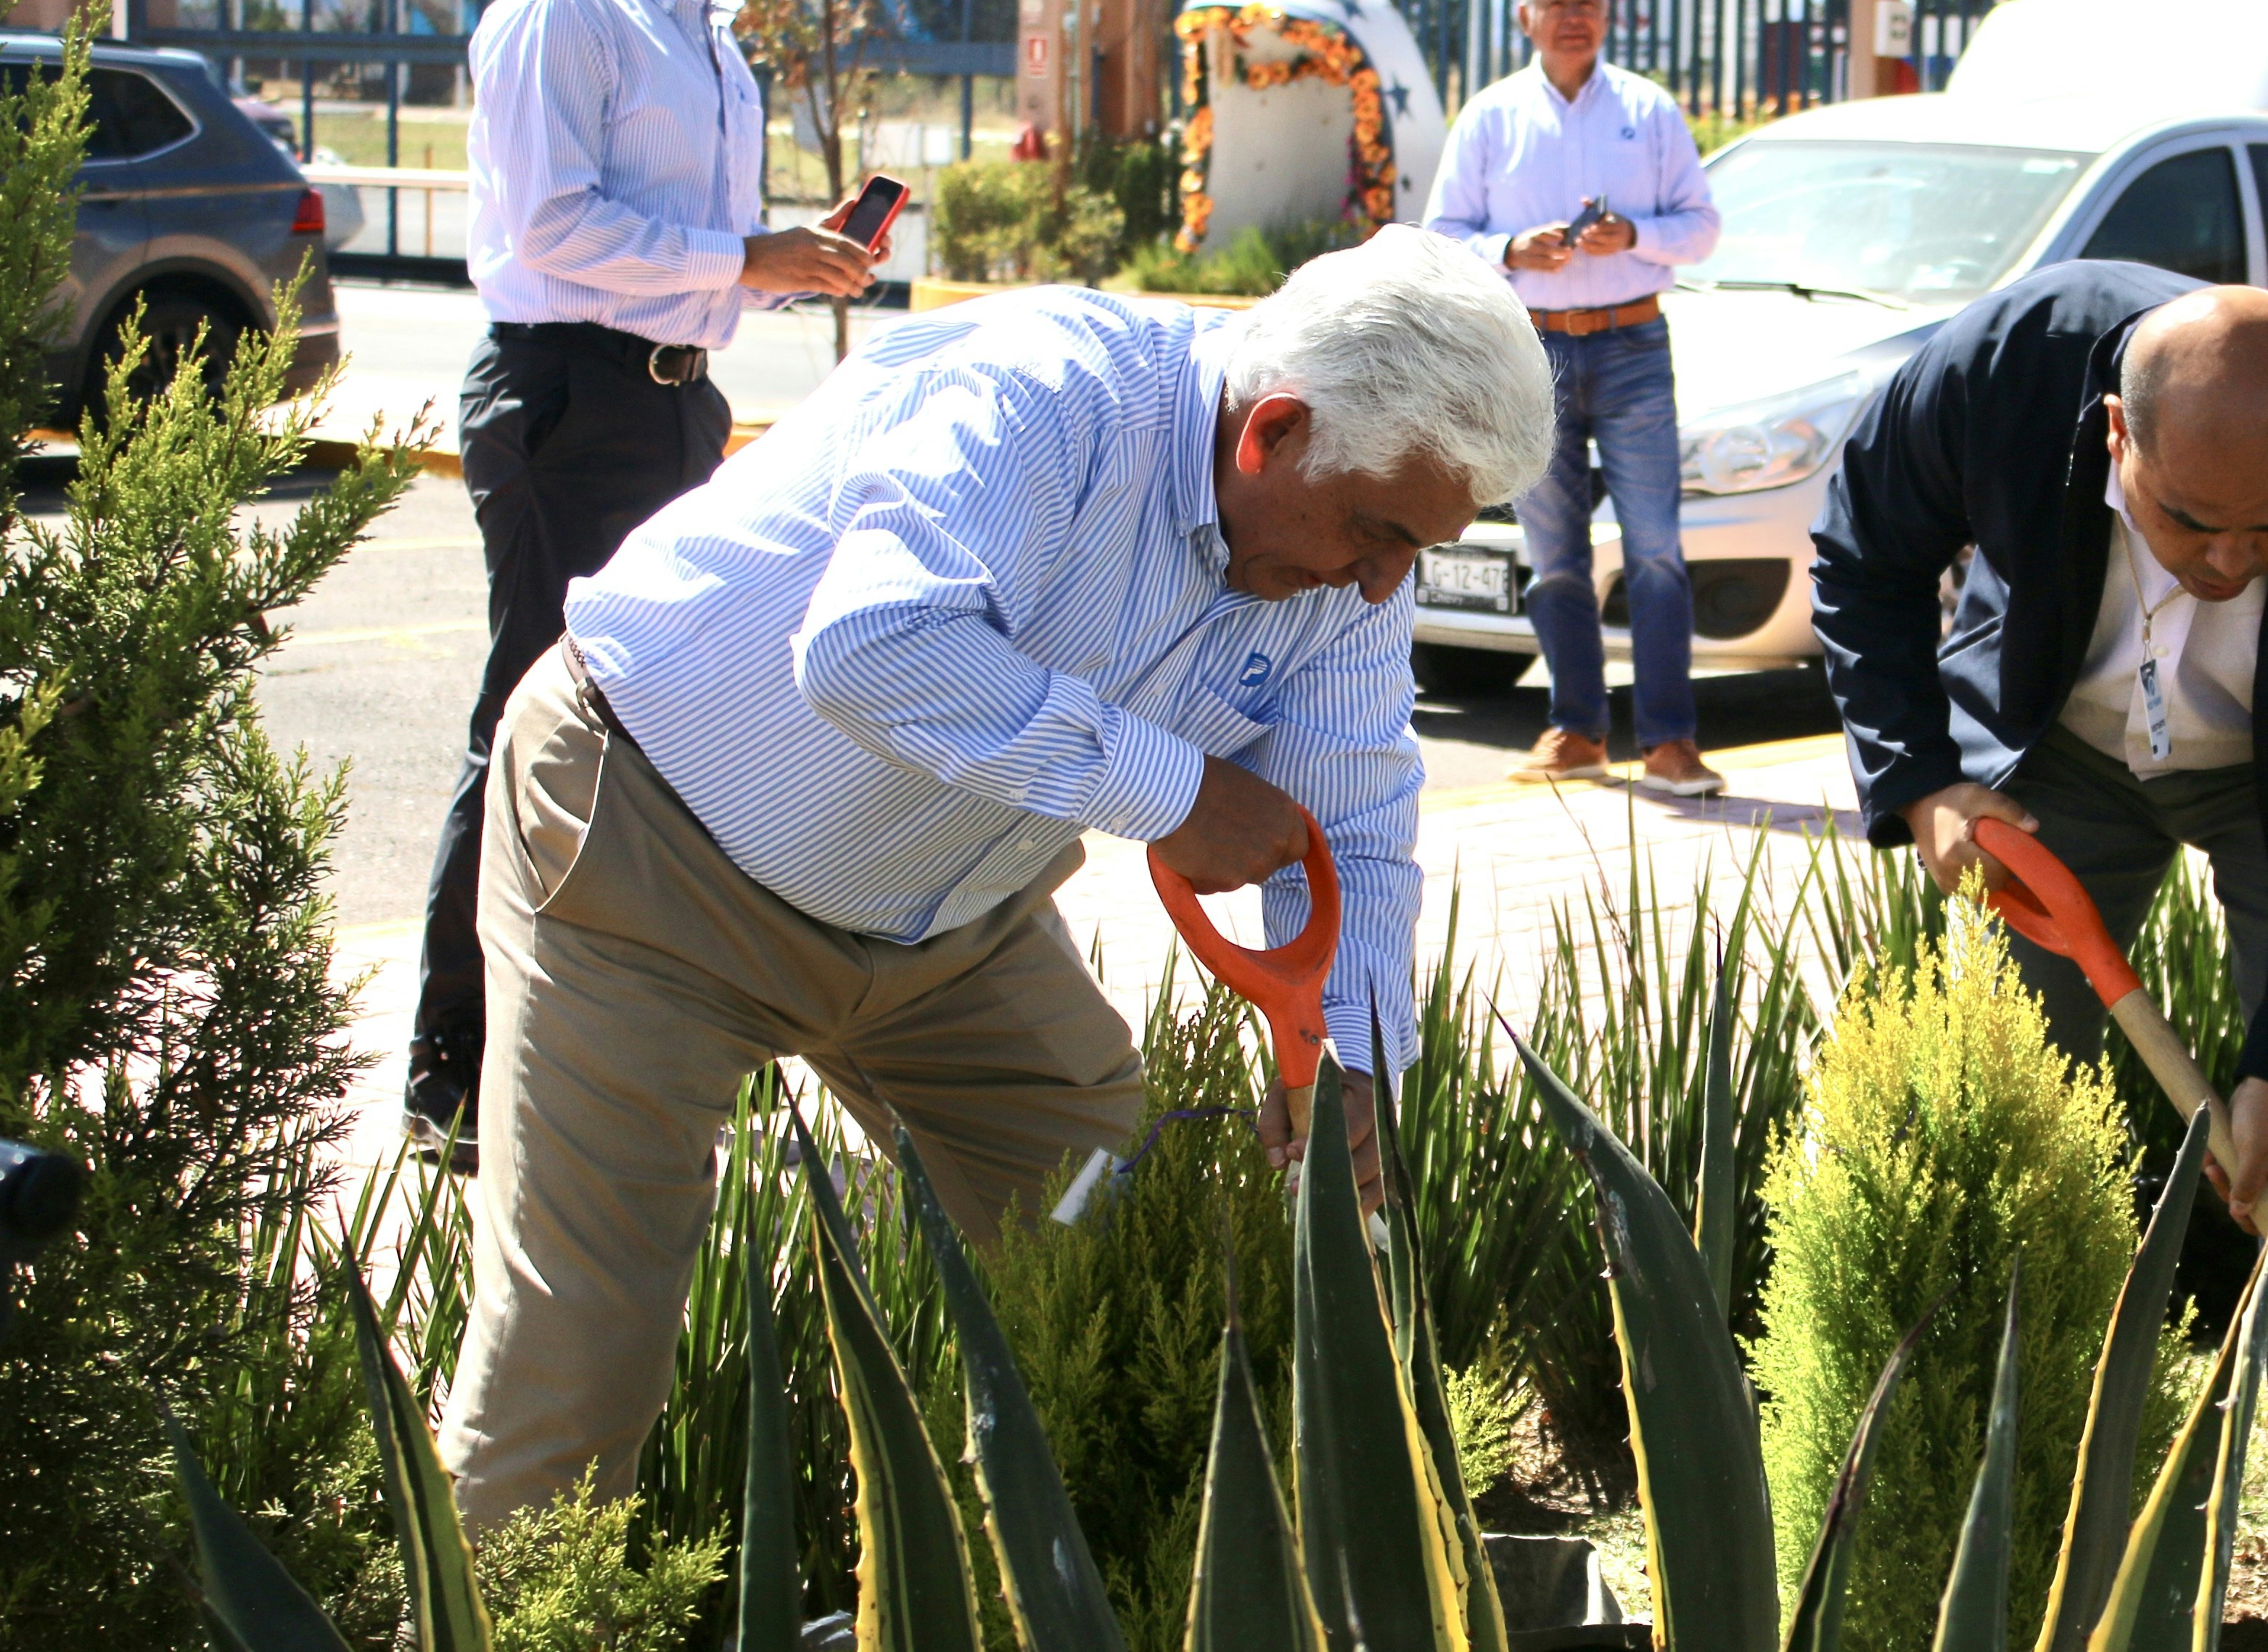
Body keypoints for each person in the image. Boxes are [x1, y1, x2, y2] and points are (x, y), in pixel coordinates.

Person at [435, 230, 1555, 1529]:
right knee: (579, 1355)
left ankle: (1090, 1649)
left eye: (1414, 547)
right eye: (1375, 533)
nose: (1381, 583)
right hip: (648, 860)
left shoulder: (1342, 570)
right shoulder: (1047, 395)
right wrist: (1178, 793)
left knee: (1115, 1251)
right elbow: (872, 645)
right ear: (1276, 430)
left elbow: (1353, 823)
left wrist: (1351, 1059)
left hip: (943, 927)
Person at [1814, 263, 2268, 1652]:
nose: (2232, 560)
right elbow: (1860, 546)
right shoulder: (2009, 368)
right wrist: (1921, 779)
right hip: (2050, 759)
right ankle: (2017, 1539)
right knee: (2011, 1125)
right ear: (2116, 436)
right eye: (2189, 521)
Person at [403, 0, 894, 1164]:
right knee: (530, 718)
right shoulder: (569, 15)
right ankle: (455, 1076)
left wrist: (778, 265)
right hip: (568, 402)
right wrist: (741, 259)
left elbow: (682, 256)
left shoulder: (711, 45)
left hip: (679, 406)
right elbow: (556, 231)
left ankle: (620, 1055)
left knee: (666, 729)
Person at [1423, 0, 1727, 797]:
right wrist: (1510, 251)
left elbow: (1702, 228)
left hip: (1633, 345)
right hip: (1530, 352)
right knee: (1553, 552)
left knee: (1656, 551)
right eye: (1555, 0)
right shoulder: (1490, 117)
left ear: (1608, 14)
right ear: (1525, 18)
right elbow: (1441, 235)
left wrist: (1633, 235)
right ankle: (1577, 731)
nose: (1572, 14)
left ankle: (1671, 743)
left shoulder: (1649, 111)